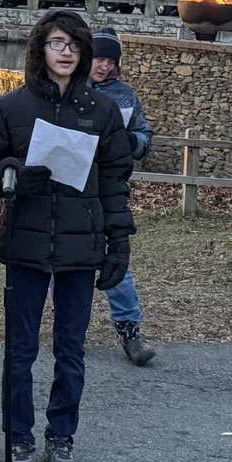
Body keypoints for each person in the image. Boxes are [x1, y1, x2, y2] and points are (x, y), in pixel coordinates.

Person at [0, 10, 135, 462]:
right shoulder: (11, 107)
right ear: (40, 49)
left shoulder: (102, 111)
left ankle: (61, 436)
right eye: (57, 43)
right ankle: (18, 438)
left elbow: (114, 180)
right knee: (20, 351)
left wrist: (118, 242)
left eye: (74, 45)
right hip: (26, 239)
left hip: (80, 246)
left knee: (71, 350)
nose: (66, 52)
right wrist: (11, 173)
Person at [89, 27, 157, 366]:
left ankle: (130, 332)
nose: (102, 66)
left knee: (118, 264)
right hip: (72, 186)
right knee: (67, 265)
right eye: (98, 58)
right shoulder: (67, 89)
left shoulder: (125, 95)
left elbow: (144, 136)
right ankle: (69, 328)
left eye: (108, 61)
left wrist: (132, 143)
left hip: (110, 187)